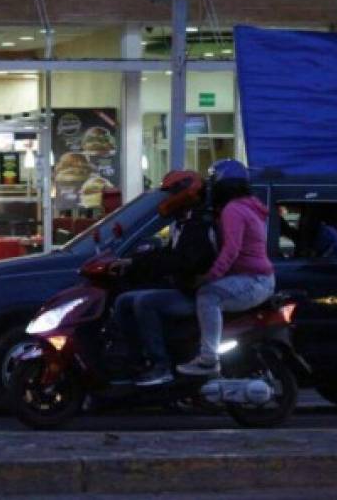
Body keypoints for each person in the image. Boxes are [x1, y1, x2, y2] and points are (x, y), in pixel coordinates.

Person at [111, 170, 218, 386]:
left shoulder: (200, 224)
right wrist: (132, 262)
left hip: (195, 292)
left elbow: (182, 261)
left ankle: (161, 366)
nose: (167, 200)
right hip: (182, 287)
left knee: (145, 303)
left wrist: (144, 264)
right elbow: (168, 254)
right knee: (123, 301)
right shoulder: (183, 222)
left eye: (171, 194)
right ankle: (134, 361)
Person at [178, 160, 275, 377]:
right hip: (258, 278)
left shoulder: (233, 210)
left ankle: (208, 360)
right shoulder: (249, 206)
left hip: (253, 280)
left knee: (208, 296)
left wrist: (210, 276)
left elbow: (231, 249)